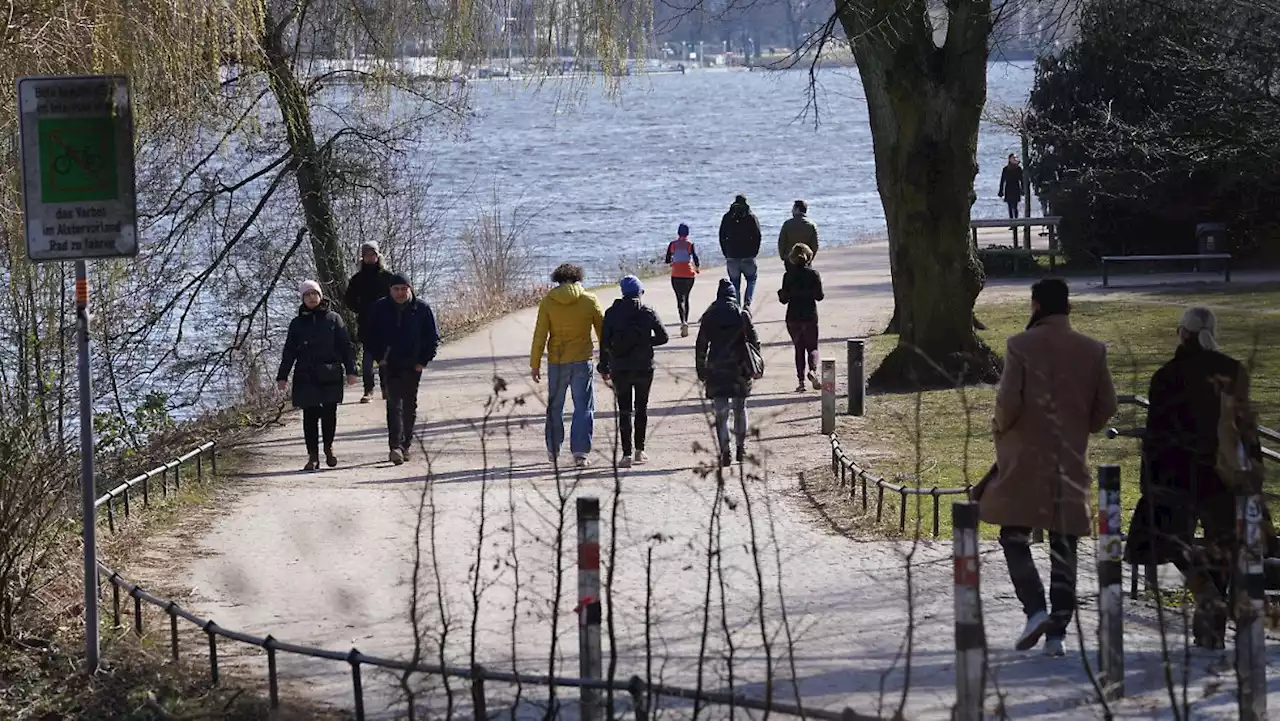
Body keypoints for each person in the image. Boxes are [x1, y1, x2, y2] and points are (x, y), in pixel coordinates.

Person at [979, 278, 1117, 658]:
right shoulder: (1093, 350)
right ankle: (1058, 631)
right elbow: (1106, 405)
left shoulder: (1020, 345)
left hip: (1025, 456)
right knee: (1064, 543)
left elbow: (1008, 401)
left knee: (1014, 536)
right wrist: (1082, 424)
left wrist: (1001, 428)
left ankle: (1035, 608)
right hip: (1069, 457)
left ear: (1036, 305)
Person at [1124, 307, 1275, 648]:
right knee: (1224, 543)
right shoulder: (1233, 370)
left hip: (1178, 475)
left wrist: (1150, 477)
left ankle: (1203, 590)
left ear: (1182, 333)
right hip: (1225, 475)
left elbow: (1157, 434)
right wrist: (1252, 469)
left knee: (1170, 540)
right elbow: (1245, 428)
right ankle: (1211, 613)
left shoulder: (1166, 376)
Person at [276, 280, 358, 471]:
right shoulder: (296, 324)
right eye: (307, 295)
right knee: (310, 417)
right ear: (302, 299)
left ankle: (328, 448)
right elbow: (289, 351)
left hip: (330, 372)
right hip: (306, 375)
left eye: (314, 294)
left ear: (321, 296)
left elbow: (345, 346)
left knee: (329, 414)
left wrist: (351, 370)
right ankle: (313, 456)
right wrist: (282, 376)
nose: (312, 298)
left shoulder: (333, 319)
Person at [530, 263, 605, 469]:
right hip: (582, 359)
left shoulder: (548, 302)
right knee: (583, 407)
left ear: (558, 279)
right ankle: (580, 453)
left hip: (557, 361)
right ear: (578, 278)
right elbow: (603, 332)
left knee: (555, 406)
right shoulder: (590, 300)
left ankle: (553, 449)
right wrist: (608, 359)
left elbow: (540, 335)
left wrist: (535, 363)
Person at [366, 273, 440, 466]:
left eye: (403, 289)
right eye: (395, 289)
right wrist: (379, 358)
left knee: (409, 405)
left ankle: (406, 444)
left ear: (410, 289)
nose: (399, 293)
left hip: (413, 364)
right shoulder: (380, 308)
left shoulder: (421, 309)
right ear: (390, 290)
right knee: (393, 405)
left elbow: (432, 339)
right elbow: (369, 336)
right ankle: (395, 447)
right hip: (389, 364)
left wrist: (423, 361)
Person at [598, 276, 669, 467]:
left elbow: (604, 342)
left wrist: (603, 366)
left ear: (623, 292)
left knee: (624, 410)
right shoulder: (648, 311)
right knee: (641, 409)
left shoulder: (612, 313)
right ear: (640, 292)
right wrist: (645, 342)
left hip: (620, 367)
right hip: (644, 367)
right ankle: (640, 450)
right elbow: (664, 337)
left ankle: (626, 454)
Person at [695, 279, 763, 467]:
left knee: (721, 413)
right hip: (739, 368)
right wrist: (756, 364)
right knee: (740, 409)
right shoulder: (741, 314)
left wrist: (701, 370)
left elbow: (701, 345)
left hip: (717, 368)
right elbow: (755, 341)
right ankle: (741, 448)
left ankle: (725, 451)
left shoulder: (709, 316)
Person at [343, 240, 395, 403]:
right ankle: (368, 390)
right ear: (362, 258)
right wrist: (361, 309)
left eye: (373, 254)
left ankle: (386, 389)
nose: (370, 258)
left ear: (378, 256)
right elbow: (348, 300)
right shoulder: (357, 279)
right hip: (366, 324)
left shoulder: (388, 277)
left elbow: (397, 296)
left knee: (385, 360)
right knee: (367, 361)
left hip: (386, 324)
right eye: (367, 255)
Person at [778, 244, 824, 392]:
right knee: (812, 347)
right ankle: (813, 370)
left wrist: (781, 294)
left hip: (793, 316)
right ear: (809, 257)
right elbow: (819, 296)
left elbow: (784, 299)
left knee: (799, 348)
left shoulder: (788, 275)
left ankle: (801, 382)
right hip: (809, 315)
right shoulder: (814, 274)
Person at [718, 194, 762, 309]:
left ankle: (737, 307)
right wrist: (754, 252)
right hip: (748, 255)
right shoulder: (750, 217)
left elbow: (722, 236)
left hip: (732, 255)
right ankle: (747, 305)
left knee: (735, 284)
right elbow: (757, 235)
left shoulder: (727, 217)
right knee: (751, 280)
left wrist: (726, 252)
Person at [665, 223, 700, 337]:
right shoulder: (690, 244)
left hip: (676, 274)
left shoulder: (672, 244)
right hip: (689, 274)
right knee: (687, 297)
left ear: (678, 233)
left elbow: (667, 259)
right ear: (687, 233)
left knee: (679, 299)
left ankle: (683, 321)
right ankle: (686, 322)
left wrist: (672, 263)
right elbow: (695, 257)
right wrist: (697, 268)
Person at [777, 199, 819, 271]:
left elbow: (782, 242)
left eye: (793, 208)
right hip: (805, 258)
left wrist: (783, 256)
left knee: (790, 280)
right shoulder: (811, 225)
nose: (792, 211)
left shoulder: (787, 224)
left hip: (790, 259)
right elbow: (815, 245)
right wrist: (810, 258)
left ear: (797, 209)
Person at [998, 154, 1025, 221]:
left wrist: (1023, 189)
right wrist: (1001, 191)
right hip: (1008, 188)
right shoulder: (1005, 169)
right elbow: (1002, 181)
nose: (1014, 159)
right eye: (1013, 158)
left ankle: (1016, 221)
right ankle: (1011, 222)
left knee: (1015, 206)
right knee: (1009, 206)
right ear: (1009, 159)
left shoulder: (1018, 169)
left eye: (1015, 158)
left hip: (1016, 188)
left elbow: (1022, 180)